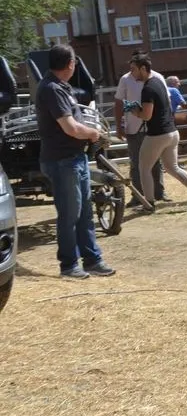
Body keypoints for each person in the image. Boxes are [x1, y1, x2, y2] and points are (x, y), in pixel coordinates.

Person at [36, 44, 115, 279]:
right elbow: (70, 128)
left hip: (74, 159)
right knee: (70, 215)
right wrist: (94, 134)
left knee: (84, 213)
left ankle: (92, 259)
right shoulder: (52, 89)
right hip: (63, 161)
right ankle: (69, 265)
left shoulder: (59, 87)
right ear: (70, 64)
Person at [126, 52, 187, 212]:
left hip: (157, 134)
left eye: (133, 69)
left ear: (143, 68)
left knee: (144, 168)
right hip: (172, 132)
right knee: (173, 168)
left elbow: (147, 115)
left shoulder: (148, 88)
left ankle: (148, 204)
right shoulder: (158, 82)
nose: (132, 73)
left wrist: (134, 110)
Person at [114, 52, 168, 206]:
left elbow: (166, 101)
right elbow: (118, 102)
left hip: (154, 125)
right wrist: (119, 125)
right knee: (136, 162)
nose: (132, 71)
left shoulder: (157, 78)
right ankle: (138, 195)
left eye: (134, 67)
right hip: (134, 126)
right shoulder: (125, 79)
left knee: (156, 161)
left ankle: (159, 192)